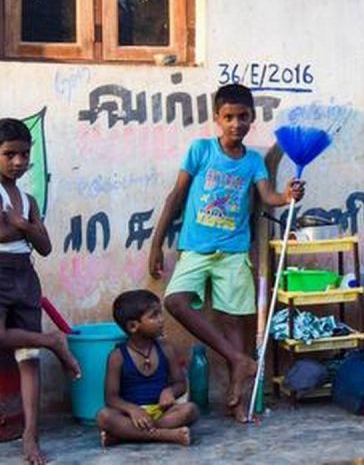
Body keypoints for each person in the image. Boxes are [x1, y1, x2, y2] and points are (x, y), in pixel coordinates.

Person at [148, 83, 304, 422]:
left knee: (235, 321)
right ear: (217, 118)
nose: (237, 124)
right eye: (229, 117)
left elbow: (268, 196)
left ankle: (237, 402)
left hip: (234, 251)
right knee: (175, 301)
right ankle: (237, 358)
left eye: (243, 117)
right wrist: (156, 243)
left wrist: (290, 196)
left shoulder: (252, 162)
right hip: (196, 249)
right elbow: (175, 197)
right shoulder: (201, 150)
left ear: (252, 118)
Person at [0, 118, 82, 465]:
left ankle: (31, 436)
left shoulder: (27, 199)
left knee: (27, 358)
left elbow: (45, 245)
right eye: (9, 155)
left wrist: (22, 226)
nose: (18, 162)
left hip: (25, 275)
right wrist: (22, 230)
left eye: (24, 155)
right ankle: (52, 340)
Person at [96, 290, 198, 446]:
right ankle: (166, 435)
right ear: (132, 326)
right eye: (154, 316)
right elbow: (111, 398)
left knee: (190, 410)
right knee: (104, 416)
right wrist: (132, 410)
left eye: (160, 314)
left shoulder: (166, 349)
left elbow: (181, 383)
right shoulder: (117, 356)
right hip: (132, 416)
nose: (161, 320)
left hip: (161, 413)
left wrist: (170, 391)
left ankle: (124, 436)